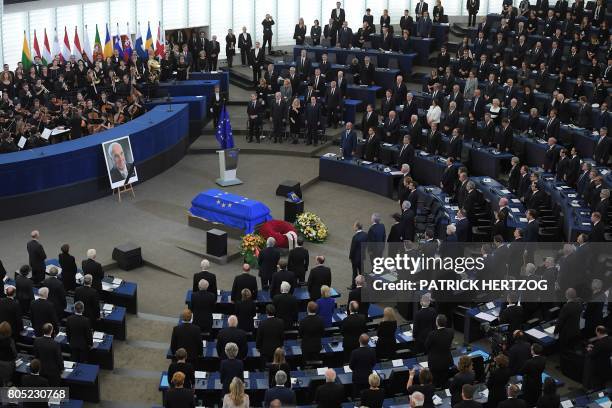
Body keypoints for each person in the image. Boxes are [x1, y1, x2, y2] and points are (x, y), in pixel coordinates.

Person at [425, 314, 454, 387]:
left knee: (435, 381)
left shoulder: (432, 334)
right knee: (444, 380)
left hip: (434, 363)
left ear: (437, 323)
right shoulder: (451, 332)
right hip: (446, 361)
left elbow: (426, 346)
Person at [554, 288, 583, 352]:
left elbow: (560, 321)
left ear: (566, 296)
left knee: (565, 351)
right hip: (576, 330)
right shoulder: (579, 304)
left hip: (566, 334)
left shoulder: (566, 307)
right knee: (572, 349)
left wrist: (555, 332)